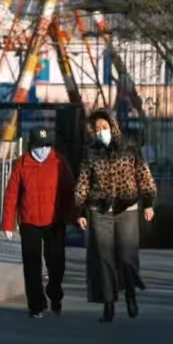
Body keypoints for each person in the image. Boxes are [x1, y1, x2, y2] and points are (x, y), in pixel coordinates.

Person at [73, 107, 156, 322]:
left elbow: (143, 174)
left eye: (104, 127)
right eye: (97, 129)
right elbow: (83, 182)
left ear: (113, 126)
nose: (101, 131)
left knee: (127, 257)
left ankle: (130, 293)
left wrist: (148, 203)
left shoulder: (130, 147)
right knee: (103, 259)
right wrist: (80, 210)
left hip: (127, 208)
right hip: (99, 210)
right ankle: (108, 304)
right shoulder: (90, 151)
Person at [2, 124, 75, 319]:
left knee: (56, 263)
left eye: (46, 145)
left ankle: (55, 294)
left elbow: (69, 190)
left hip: (54, 221)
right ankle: (36, 305)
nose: (43, 150)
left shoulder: (59, 161)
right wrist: (8, 223)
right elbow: (11, 195)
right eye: (39, 146)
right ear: (31, 146)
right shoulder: (22, 163)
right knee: (32, 266)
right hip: (29, 221)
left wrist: (73, 216)